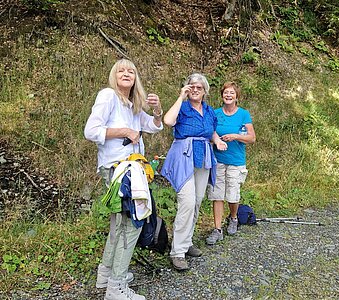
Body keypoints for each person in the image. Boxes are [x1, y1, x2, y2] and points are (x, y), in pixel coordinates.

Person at [84, 58, 163, 300]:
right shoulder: (108, 96)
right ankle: (116, 287)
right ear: (114, 75)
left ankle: (106, 275)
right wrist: (124, 132)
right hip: (119, 170)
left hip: (130, 168)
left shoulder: (132, 105)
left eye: (131, 70)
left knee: (118, 225)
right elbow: (90, 130)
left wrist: (158, 110)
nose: (126, 73)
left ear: (136, 77)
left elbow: (154, 126)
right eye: (121, 70)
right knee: (132, 225)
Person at [161, 73, 227, 271]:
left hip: (203, 156)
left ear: (205, 91)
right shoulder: (182, 106)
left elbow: (210, 131)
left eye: (199, 87)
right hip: (183, 156)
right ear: (187, 89)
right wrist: (181, 97)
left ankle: (187, 241)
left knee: (197, 200)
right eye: (192, 86)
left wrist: (217, 140)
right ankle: (177, 252)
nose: (196, 89)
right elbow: (168, 121)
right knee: (187, 201)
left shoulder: (208, 111)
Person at [206, 81, 256, 245]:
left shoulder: (243, 114)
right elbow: (209, 132)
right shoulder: (215, 113)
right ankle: (217, 229)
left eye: (231, 93)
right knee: (217, 194)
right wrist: (215, 140)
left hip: (236, 160)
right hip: (218, 160)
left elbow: (251, 138)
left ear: (236, 97)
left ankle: (233, 217)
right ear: (222, 95)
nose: (228, 95)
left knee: (233, 194)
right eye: (226, 92)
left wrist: (235, 136)